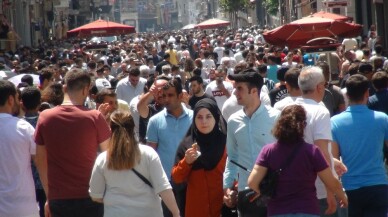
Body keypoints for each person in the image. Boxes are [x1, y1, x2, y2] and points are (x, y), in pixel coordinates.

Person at [34, 68, 111, 217]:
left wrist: (49, 196)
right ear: (86, 90)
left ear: (64, 88)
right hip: (92, 195)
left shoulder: (45, 117)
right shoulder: (95, 117)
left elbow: (40, 159)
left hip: (58, 197)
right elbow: (109, 155)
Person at [248, 105, 348, 217]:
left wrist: (267, 192)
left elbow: (252, 182)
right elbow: (331, 182)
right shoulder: (312, 151)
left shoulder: (268, 151)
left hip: (277, 211)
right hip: (307, 210)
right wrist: (343, 197)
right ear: (303, 126)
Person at [89, 111, 180, 217]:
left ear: (111, 130)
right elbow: (164, 188)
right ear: (133, 128)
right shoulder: (148, 153)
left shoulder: (103, 158)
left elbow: (95, 195)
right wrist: (176, 213)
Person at [223, 70, 280, 216]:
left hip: (275, 192)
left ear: (254, 91)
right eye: (235, 88)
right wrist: (227, 187)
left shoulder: (276, 118)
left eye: (239, 88)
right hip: (246, 193)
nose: (235, 92)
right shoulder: (233, 121)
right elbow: (232, 156)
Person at [331, 74, 388, 217]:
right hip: (378, 185)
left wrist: (335, 192)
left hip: (350, 187)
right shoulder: (382, 119)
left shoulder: (335, 122)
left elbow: (334, 160)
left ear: (347, 95)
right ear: (367, 93)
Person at [172, 98, 227, 217]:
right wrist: (186, 162)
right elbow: (176, 179)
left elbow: (235, 173)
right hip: (196, 209)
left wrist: (233, 192)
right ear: (194, 119)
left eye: (208, 116)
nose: (204, 122)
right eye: (199, 117)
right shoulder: (187, 145)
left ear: (216, 118)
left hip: (223, 208)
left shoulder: (227, 143)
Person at [146, 78, 193, 217]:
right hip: (166, 185)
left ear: (180, 96)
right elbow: (151, 154)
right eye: (164, 96)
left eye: (170, 95)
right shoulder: (155, 121)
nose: (166, 99)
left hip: (191, 182)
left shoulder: (195, 117)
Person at [0, 80, 39, 217]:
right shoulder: (24, 128)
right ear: (11, 99)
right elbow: (40, 163)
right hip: (23, 207)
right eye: (17, 98)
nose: (20, 103)